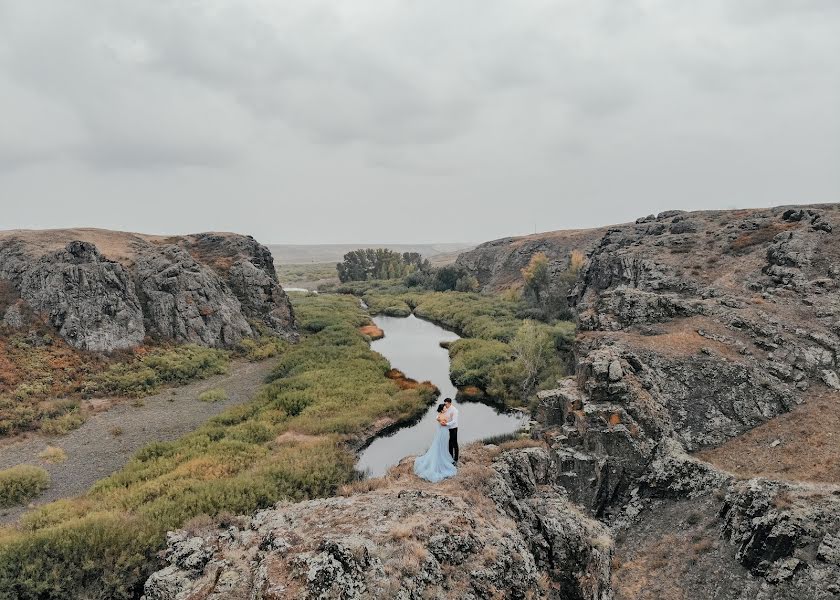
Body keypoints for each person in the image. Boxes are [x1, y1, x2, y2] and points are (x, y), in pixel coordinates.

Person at [413, 404, 457, 482]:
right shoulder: (442, 416)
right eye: (444, 408)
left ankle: (442, 455)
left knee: (441, 445)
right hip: (443, 432)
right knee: (442, 445)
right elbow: (444, 423)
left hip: (442, 432)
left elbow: (439, 418)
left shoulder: (439, 415)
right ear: (442, 409)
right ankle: (441, 458)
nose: (446, 408)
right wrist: (447, 421)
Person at [443, 397, 459, 463]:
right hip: (448, 428)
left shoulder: (454, 410)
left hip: (454, 428)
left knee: (454, 443)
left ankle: (456, 459)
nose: (445, 405)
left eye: (446, 404)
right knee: (450, 443)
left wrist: (446, 424)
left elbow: (454, 421)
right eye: (445, 404)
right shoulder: (446, 408)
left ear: (449, 403)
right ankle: (450, 457)